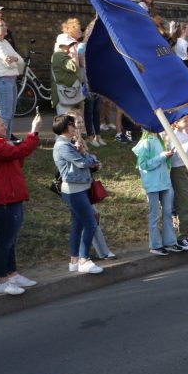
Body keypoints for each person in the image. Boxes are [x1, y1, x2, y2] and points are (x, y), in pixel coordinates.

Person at [0, 111, 42, 295]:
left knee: (10, 239)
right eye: (1, 124)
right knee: (5, 240)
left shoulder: (2, 145)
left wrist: (16, 147)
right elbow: (22, 150)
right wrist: (33, 132)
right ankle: (2, 280)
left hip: (12, 197)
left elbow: (18, 161)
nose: (5, 127)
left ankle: (12, 274)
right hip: (2, 199)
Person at [52, 114, 103, 274]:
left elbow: (86, 159)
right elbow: (82, 162)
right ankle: (83, 259)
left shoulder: (68, 144)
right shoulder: (62, 145)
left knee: (78, 224)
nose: (75, 127)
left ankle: (74, 260)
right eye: (73, 124)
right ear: (66, 127)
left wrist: (85, 154)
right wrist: (90, 159)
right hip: (74, 190)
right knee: (91, 223)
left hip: (79, 188)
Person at [133, 131, 184, 255]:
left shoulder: (160, 140)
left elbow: (162, 161)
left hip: (165, 183)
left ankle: (170, 242)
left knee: (168, 212)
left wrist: (167, 156)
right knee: (154, 214)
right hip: (152, 185)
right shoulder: (145, 142)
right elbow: (143, 165)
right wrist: (161, 156)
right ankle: (155, 245)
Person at [168, 115, 188, 250]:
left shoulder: (184, 134)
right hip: (179, 170)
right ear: (176, 123)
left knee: (187, 202)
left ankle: (185, 235)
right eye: (185, 120)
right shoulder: (173, 135)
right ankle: (181, 237)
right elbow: (177, 153)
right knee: (184, 203)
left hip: (187, 170)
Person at [0, 18, 23, 138]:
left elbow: (19, 59)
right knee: (5, 114)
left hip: (11, 78)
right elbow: (6, 58)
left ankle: (6, 139)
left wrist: (14, 59)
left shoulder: (5, 42)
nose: (5, 27)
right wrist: (13, 60)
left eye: (5, 24)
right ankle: (2, 141)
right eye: (1, 25)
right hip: (3, 79)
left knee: (11, 113)